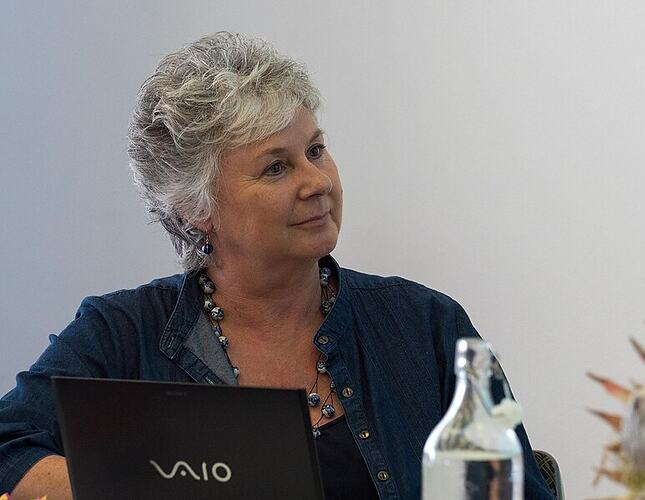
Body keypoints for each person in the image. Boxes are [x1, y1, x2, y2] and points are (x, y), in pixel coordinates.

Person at [0, 32, 554, 499]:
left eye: (315, 150)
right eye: (275, 168)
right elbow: (8, 446)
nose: (317, 183)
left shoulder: (425, 324)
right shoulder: (120, 334)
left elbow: (521, 489)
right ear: (197, 207)